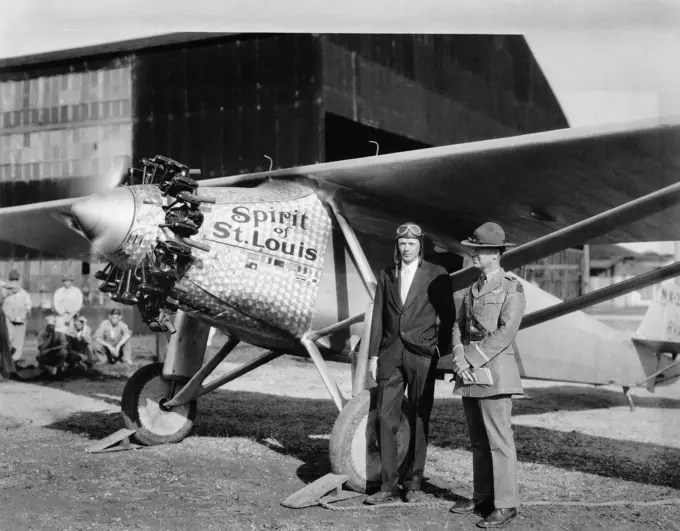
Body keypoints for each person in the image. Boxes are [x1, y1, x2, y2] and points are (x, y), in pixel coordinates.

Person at [365, 222, 454, 505]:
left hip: (422, 356)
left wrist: (438, 349)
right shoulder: (387, 275)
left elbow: (448, 316)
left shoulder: (437, 274)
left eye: (412, 244)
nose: (406, 249)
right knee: (384, 418)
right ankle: (388, 486)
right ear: (397, 246)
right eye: (402, 244)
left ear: (420, 247)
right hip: (390, 356)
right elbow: (379, 315)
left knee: (418, 417)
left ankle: (413, 483)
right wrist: (373, 355)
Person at [449, 222, 526, 529]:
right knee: (478, 442)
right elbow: (458, 325)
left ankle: (506, 505)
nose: (474, 256)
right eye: (475, 251)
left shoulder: (512, 287)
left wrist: (470, 358)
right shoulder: (472, 289)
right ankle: (482, 496)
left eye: (479, 251)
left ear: (495, 254)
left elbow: (507, 332)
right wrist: (458, 355)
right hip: (471, 374)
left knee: (499, 442)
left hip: (494, 373)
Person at [2, 270, 32, 362]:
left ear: (18, 280)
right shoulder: (5, 291)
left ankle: (14, 361)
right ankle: (5, 360)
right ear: (9, 280)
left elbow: (28, 306)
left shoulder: (23, 293)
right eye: (12, 279)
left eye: (15, 279)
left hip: (20, 320)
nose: (14, 281)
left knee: (18, 342)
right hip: (7, 319)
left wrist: (25, 313)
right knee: (7, 339)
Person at [36, 313, 70, 377]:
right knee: (39, 356)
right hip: (46, 355)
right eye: (49, 326)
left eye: (52, 326)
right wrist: (49, 337)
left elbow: (64, 345)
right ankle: (46, 368)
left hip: (56, 353)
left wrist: (52, 349)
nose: (51, 328)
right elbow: (41, 349)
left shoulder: (59, 333)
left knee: (64, 352)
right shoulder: (41, 334)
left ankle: (59, 367)